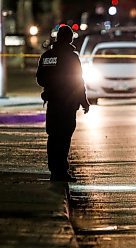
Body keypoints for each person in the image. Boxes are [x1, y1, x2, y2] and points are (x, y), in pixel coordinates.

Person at [36, 25, 90, 182]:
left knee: (53, 137)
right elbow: (78, 81)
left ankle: (54, 171)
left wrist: (52, 86)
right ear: (70, 39)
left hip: (53, 103)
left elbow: (40, 79)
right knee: (64, 137)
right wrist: (84, 101)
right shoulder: (72, 58)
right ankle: (61, 171)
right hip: (67, 105)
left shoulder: (47, 56)